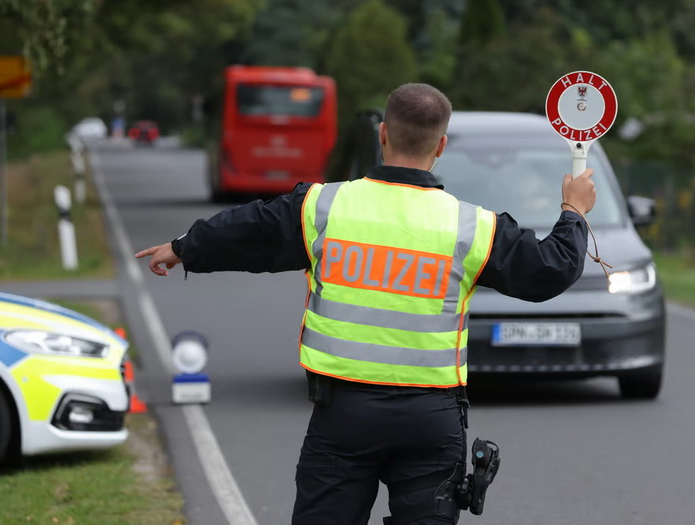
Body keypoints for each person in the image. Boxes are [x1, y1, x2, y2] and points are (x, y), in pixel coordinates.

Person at [136, 83, 595, 524]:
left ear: (382, 135)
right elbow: (550, 269)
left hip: (343, 417)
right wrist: (572, 211)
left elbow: (248, 230)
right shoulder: (471, 227)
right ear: (441, 146)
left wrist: (183, 247)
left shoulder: (323, 207)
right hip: (430, 423)